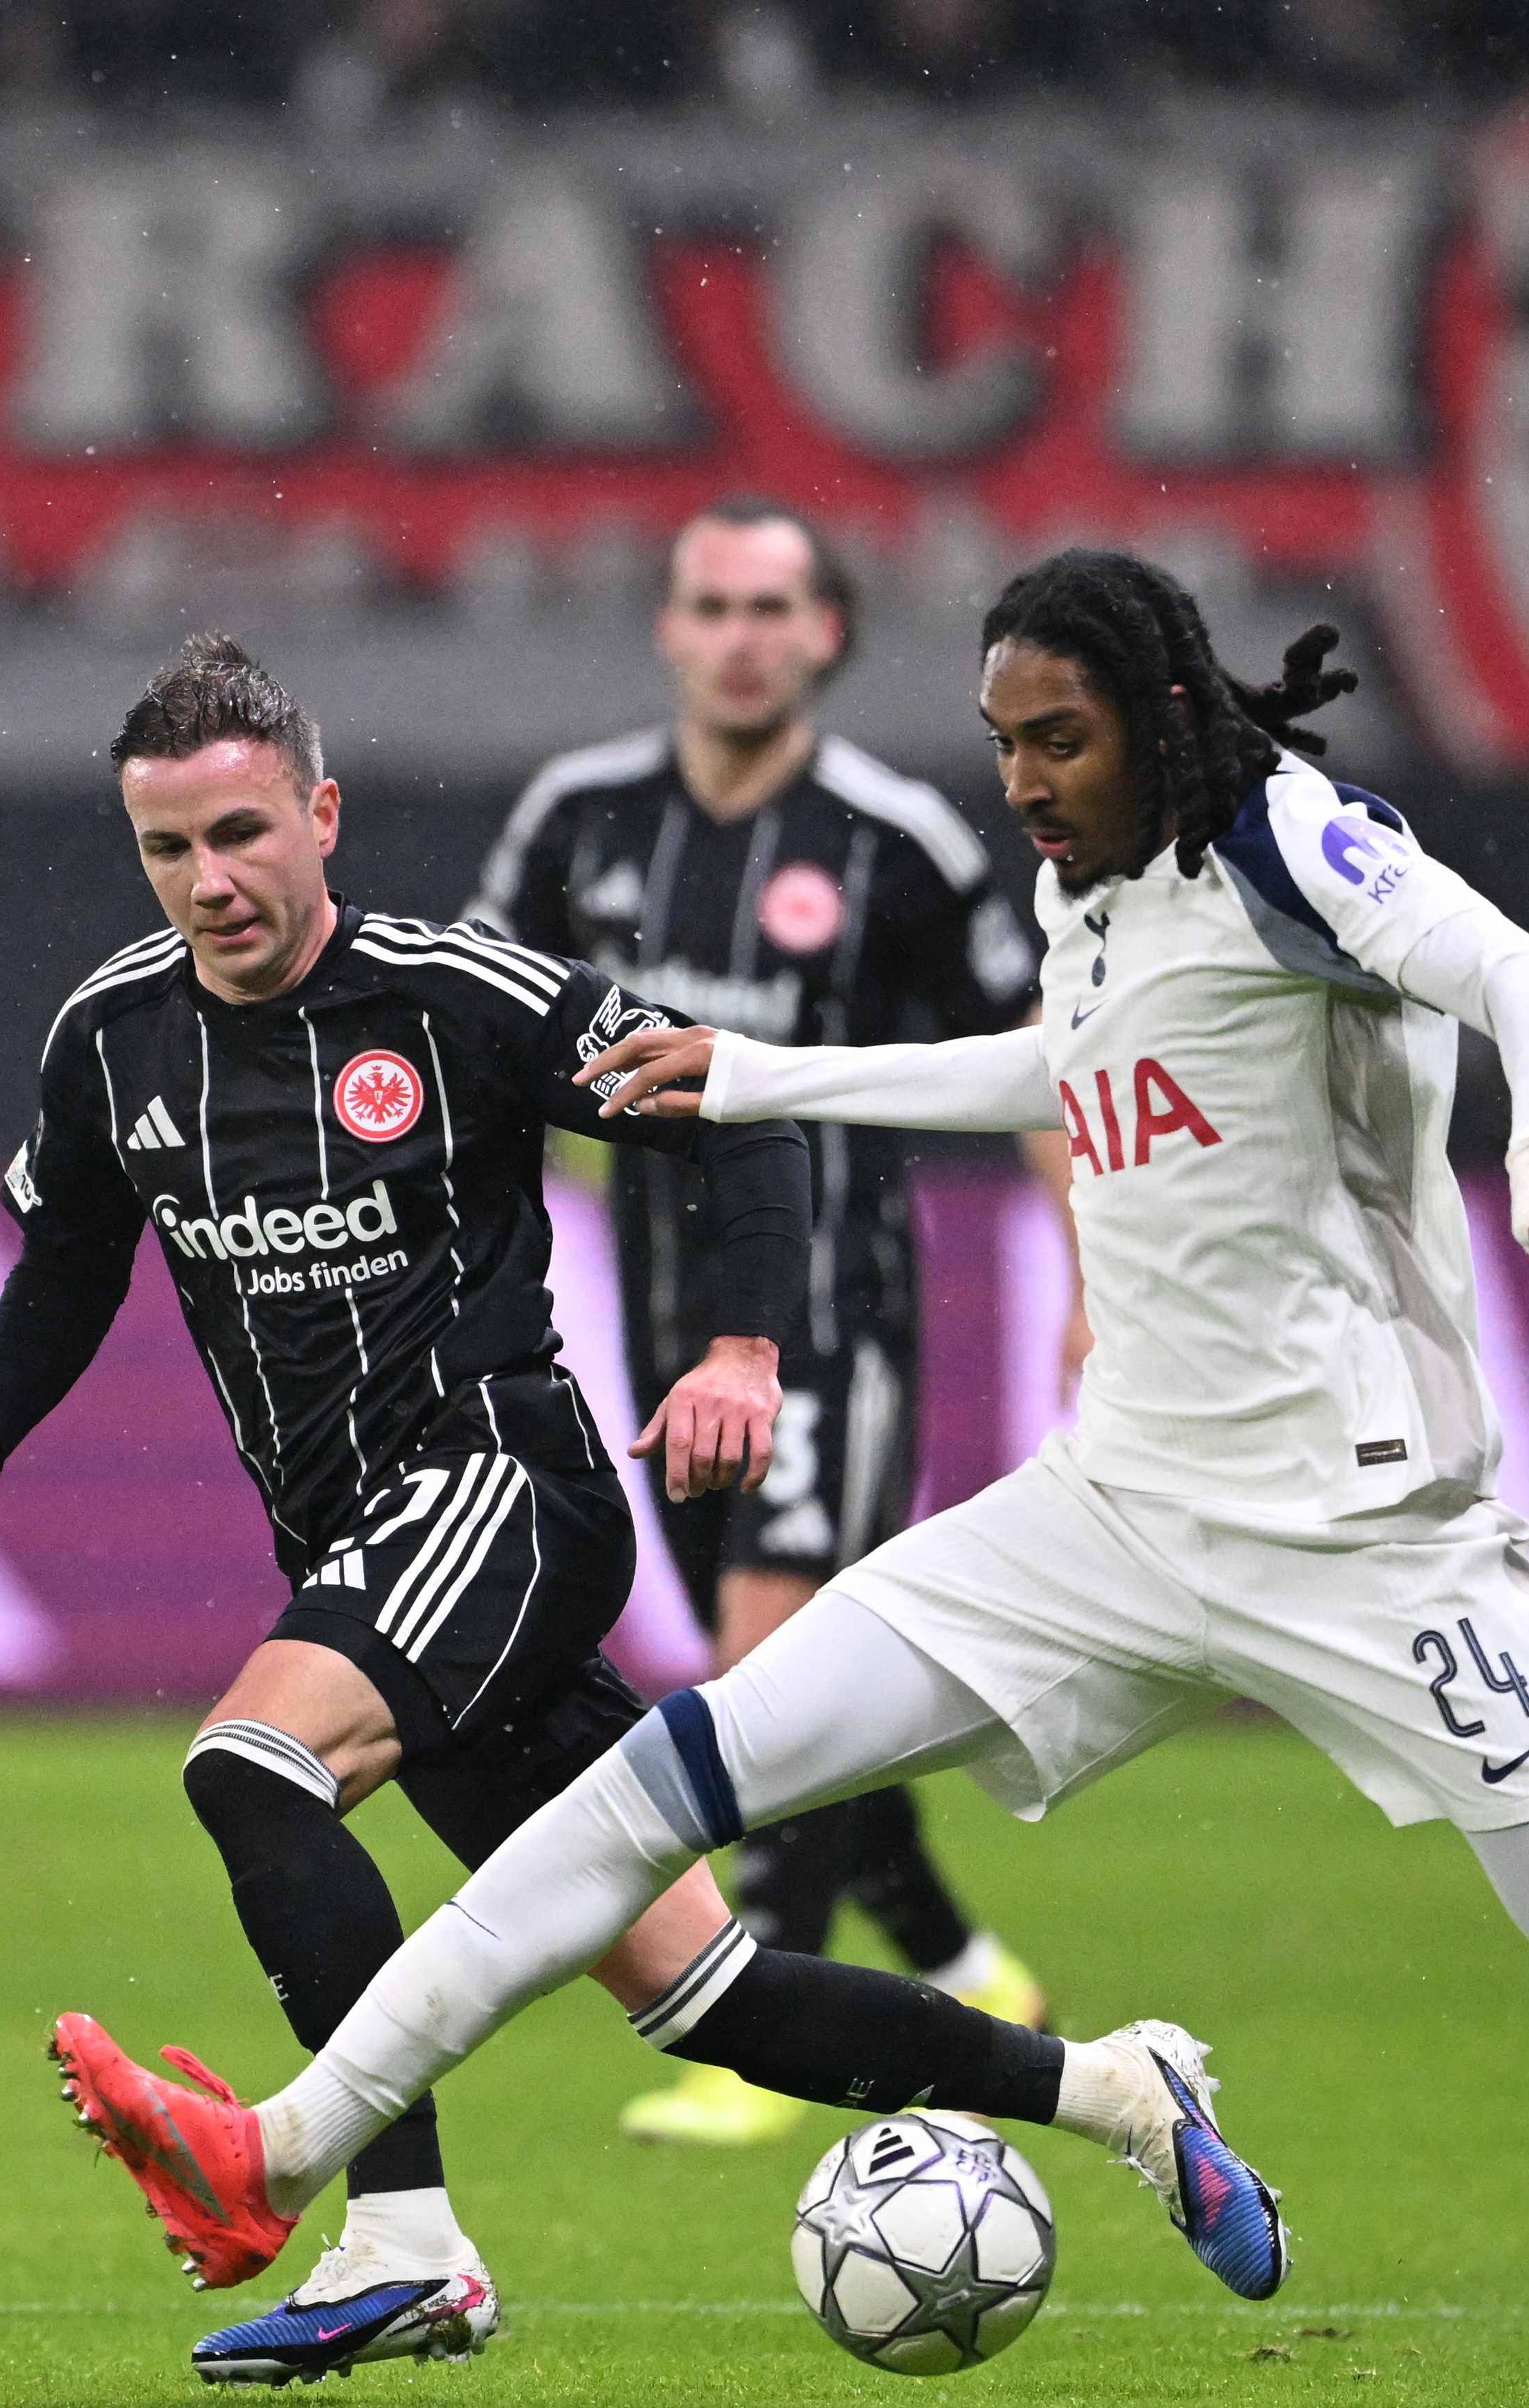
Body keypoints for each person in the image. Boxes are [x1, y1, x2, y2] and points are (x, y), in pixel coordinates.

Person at [51, 551, 1529, 2408]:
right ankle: (291, 2151)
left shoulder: (1283, 849)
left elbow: (1508, 971)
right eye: (1000, 744)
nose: (1021, 783)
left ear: (1148, 714)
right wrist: (760, 1065)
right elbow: (1057, 1066)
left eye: (1054, 740)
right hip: (1107, 1510)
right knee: (661, 1786)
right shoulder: (1108, 903)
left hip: (1361, 1536)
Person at [0, 638, 843, 2384]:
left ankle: (397, 2237)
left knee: (250, 1764)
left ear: (321, 814)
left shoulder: (459, 997)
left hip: (504, 1491)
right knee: (717, 1995)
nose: (209, 882)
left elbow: (743, 1115)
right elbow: (75, 1251)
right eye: (168, 851)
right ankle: (1126, 2094)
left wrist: (744, 1346)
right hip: (368, 1559)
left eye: (240, 834)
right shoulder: (112, 1037)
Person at [467, 498, 1053, 2150]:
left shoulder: (898, 842)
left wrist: (1094, 1277)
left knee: (769, 1659)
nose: (739, 634)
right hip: (655, 1320)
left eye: (769, 607)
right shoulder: (576, 824)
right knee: (785, 1681)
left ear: (827, 634)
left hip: (833, 1320)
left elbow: (1039, 1060)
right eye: (710, 603)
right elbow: (482, 1036)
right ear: (668, 626)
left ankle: (760, 2024)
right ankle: (961, 1962)